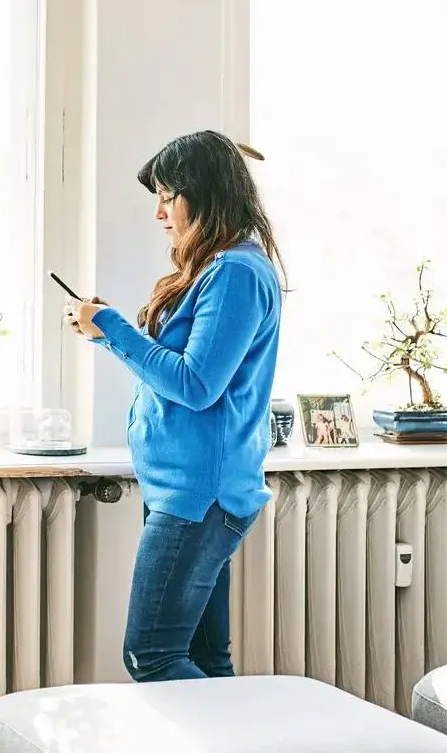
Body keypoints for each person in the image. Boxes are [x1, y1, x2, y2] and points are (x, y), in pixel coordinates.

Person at [64, 129, 285, 681]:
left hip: (198, 495)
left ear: (204, 193)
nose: (160, 212)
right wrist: (107, 331)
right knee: (207, 660)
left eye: (168, 196)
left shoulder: (234, 272)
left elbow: (195, 384)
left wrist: (111, 327)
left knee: (153, 656)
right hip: (187, 489)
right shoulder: (218, 268)